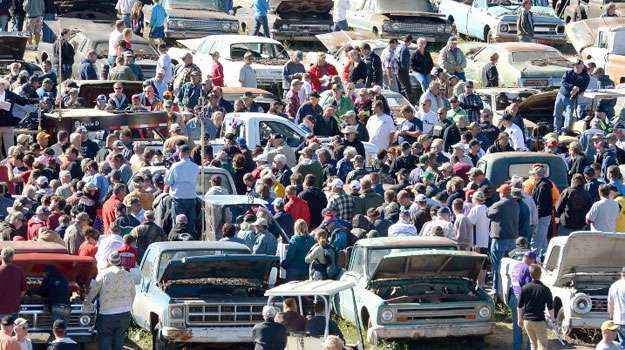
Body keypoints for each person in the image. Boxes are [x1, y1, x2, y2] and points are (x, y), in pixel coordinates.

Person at [84, 252, 135, 350]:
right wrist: (129, 307)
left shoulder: (103, 274)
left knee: (105, 338)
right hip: (125, 312)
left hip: (107, 313)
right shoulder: (128, 275)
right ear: (120, 261)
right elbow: (133, 293)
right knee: (119, 338)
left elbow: (93, 291)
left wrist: (87, 303)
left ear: (109, 261)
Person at [487, 184, 519, 296]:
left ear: (502, 193)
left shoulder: (499, 204)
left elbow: (488, 213)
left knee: (497, 265)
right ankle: (511, 288)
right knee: (511, 265)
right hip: (512, 238)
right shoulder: (515, 203)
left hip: (500, 239)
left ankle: (496, 288)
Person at [165, 144, 200, 239]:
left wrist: (167, 172)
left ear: (182, 153)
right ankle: (190, 240)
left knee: (178, 224)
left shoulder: (175, 166)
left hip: (178, 199)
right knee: (190, 224)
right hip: (191, 198)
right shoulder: (196, 167)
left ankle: (177, 241)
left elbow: (168, 182)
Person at [517, 264, 554, 350]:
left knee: (533, 343)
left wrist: (520, 320)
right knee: (543, 345)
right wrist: (553, 320)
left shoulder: (524, 288)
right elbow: (550, 307)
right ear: (540, 274)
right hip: (539, 321)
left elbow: (519, 306)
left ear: (530, 275)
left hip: (527, 321)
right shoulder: (545, 289)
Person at [554, 60, 590, 134]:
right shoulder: (568, 73)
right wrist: (573, 87)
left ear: (582, 66)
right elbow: (563, 82)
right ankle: (557, 130)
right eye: (575, 65)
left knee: (569, 116)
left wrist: (577, 89)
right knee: (557, 113)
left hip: (571, 98)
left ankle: (565, 132)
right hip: (561, 95)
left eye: (578, 65)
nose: (576, 67)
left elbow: (583, 88)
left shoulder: (586, 77)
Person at [509, 251, 536, 350]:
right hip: (523, 301)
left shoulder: (516, 266)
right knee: (530, 327)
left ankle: (516, 347)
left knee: (517, 326)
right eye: (534, 260)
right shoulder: (527, 268)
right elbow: (529, 287)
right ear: (531, 259)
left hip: (513, 297)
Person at [0, 248, 26, 319]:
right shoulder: (19, 271)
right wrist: (15, 299)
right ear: (12, 257)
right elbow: (23, 291)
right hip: (14, 309)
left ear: (1, 257)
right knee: (13, 329)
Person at [608, 266, 625, 345]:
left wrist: (611, 318)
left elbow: (610, 304)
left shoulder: (613, 286)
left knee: (622, 344)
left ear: (621, 274)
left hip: (617, 320)